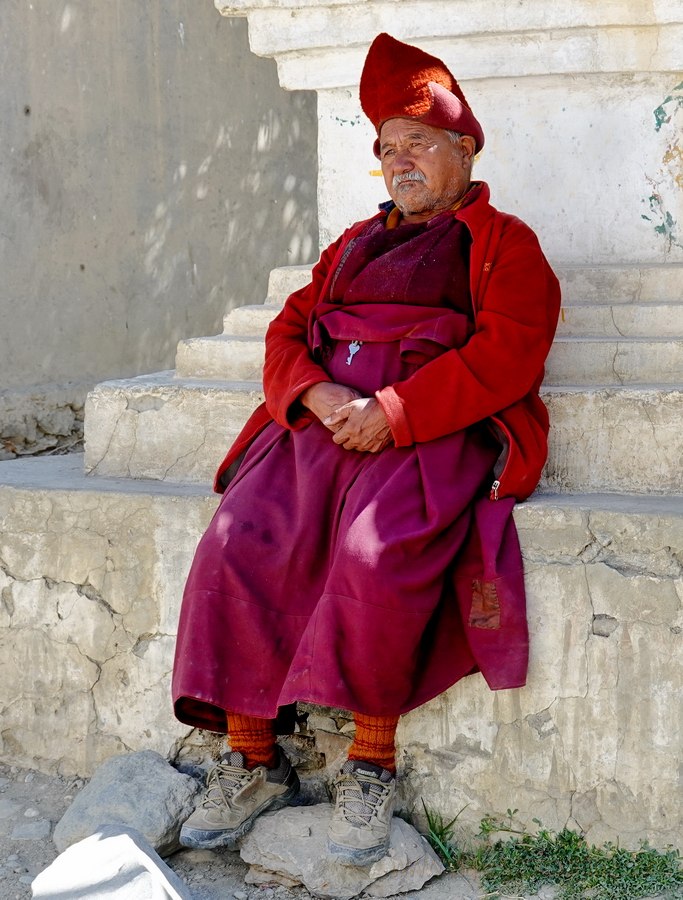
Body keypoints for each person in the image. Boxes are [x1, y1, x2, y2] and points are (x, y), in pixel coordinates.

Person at [172, 32, 560, 867]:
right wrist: (316, 393)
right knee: (238, 539)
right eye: (386, 148)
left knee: (372, 557)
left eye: (417, 143)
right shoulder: (351, 243)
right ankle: (251, 759)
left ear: (463, 149)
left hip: (426, 435)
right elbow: (287, 329)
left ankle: (369, 768)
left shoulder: (504, 243)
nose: (398, 162)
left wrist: (394, 409)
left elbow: (509, 352)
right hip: (323, 426)